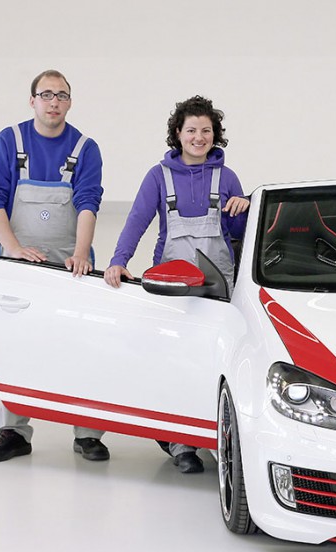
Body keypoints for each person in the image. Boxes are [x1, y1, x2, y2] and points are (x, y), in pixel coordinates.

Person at [104, 95, 249, 474]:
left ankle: (215, 438)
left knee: (214, 362)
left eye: (206, 130)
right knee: (175, 361)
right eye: (191, 130)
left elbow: (238, 232)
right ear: (178, 134)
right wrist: (119, 261)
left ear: (215, 134)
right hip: (172, 285)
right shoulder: (158, 176)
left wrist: (242, 209)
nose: (199, 137)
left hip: (218, 287)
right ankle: (180, 443)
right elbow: (137, 220)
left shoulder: (227, 177)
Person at [0, 69, 110, 463]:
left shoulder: (85, 148)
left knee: (81, 346)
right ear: (32, 100)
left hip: (71, 263)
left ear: (70, 102)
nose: (54, 102)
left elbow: (88, 202)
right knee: (16, 347)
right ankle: (13, 432)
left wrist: (82, 253)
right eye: (47, 94)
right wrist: (14, 248)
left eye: (62, 95)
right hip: (19, 264)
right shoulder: (10, 141)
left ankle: (88, 434)